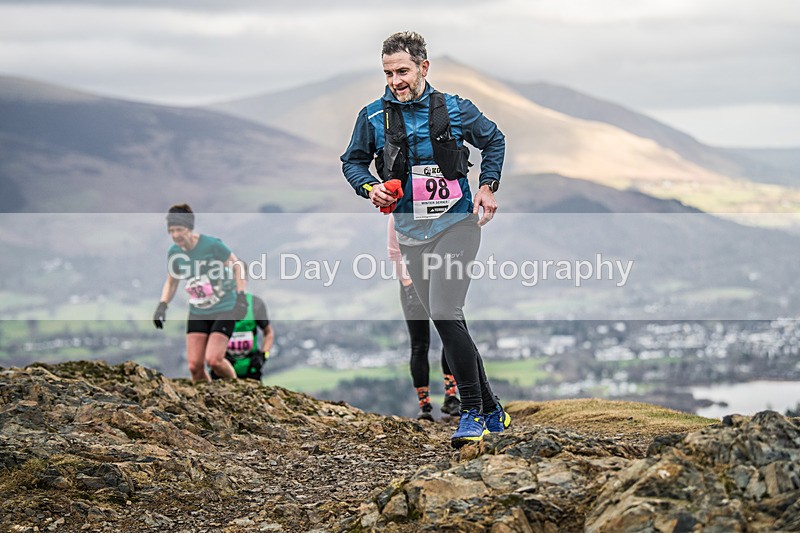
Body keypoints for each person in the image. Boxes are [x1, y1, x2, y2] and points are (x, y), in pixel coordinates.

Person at [342, 31, 511, 448]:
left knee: (445, 310)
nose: (396, 80)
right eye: (388, 72)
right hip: (410, 234)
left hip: (457, 225)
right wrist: (370, 188)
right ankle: (492, 407)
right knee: (446, 319)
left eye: (402, 71)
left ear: (423, 67)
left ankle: (472, 412)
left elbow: (494, 140)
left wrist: (487, 186)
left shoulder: (455, 108)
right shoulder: (372, 117)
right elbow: (353, 162)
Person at [152, 204, 249, 382]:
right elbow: (172, 282)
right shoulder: (174, 253)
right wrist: (162, 305)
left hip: (224, 307)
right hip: (199, 311)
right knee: (194, 366)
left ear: (189, 228)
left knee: (214, 360)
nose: (175, 235)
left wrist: (241, 297)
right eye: (171, 231)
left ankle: (238, 390)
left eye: (179, 229)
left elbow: (238, 267)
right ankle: (208, 403)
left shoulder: (212, 245)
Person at [389, 216, 460, 420]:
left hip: (439, 280)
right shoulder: (399, 213)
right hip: (411, 284)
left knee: (450, 336)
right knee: (420, 344)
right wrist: (409, 285)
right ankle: (425, 406)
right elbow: (395, 253)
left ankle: (451, 397)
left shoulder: (439, 209)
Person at [210, 292, 274, 381]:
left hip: (251, 369)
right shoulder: (214, 303)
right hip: (222, 370)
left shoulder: (255, 303)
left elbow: (268, 333)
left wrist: (264, 355)